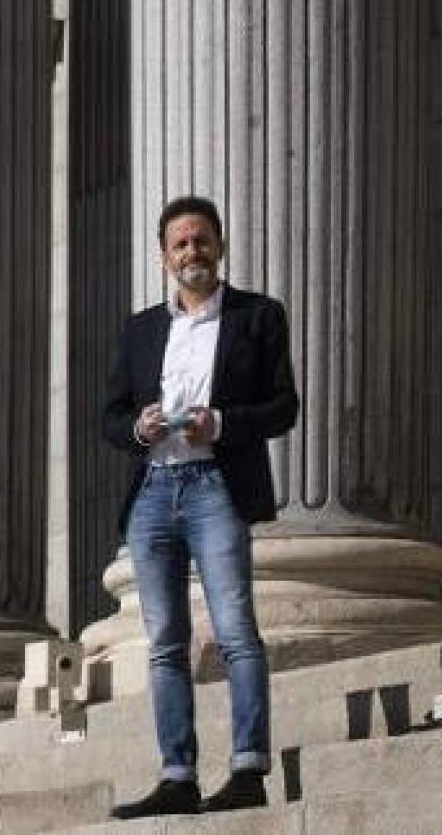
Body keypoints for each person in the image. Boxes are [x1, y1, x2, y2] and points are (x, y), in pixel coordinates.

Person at [102, 195, 299, 819]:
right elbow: (107, 419)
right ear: (165, 257)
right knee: (163, 641)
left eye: (202, 240)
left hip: (217, 484)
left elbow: (283, 407)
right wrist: (139, 427)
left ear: (220, 247)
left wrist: (222, 421)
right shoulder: (140, 329)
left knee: (237, 630)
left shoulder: (258, 316)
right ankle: (178, 775)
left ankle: (248, 767)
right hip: (154, 491)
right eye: (181, 243)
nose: (193, 252)